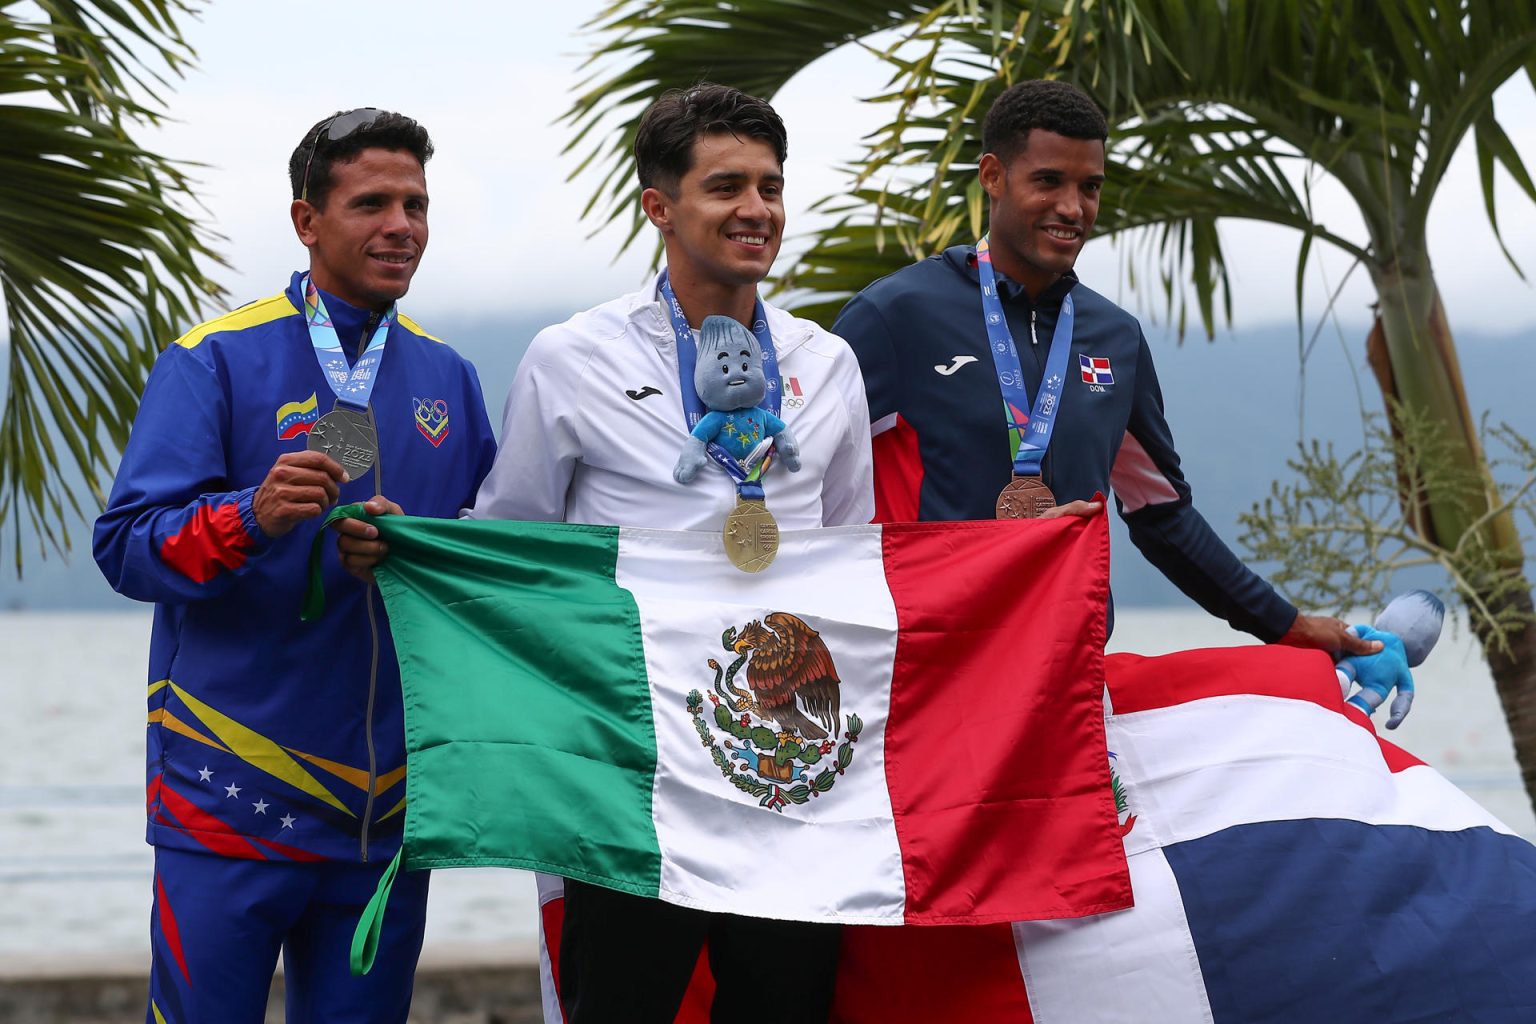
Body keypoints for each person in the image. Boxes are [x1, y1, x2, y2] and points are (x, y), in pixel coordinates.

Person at [467, 83, 874, 1023]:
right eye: (725, 186)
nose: (757, 210)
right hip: (630, 766)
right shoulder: (573, 358)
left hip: (789, 765)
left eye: (771, 187)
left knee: (786, 1008)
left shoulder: (828, 361)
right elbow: (513, 546)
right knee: (623, 1006)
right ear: (660, 206)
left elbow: (853, 554)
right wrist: (404, 543)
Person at [93, 108, 496, 1023]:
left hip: (387, 813)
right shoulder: (216, 360)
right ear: (306, 221)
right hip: (230, 793)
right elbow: (124, 544)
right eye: (372, 204)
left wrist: (419, 556)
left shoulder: (449, 376)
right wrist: (252, 517)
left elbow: (483, 560)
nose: (402, 226)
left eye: (417, 204)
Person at [832, 79, 1378, 657]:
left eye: (1089, 187)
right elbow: (804, 484)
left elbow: (1162, 516)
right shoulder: (896, 316)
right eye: (1049, 181)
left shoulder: (1115, 338)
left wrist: (1286, 626)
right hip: (928, 665)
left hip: (1067, 674)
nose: (1073, 208)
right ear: (993, 175)